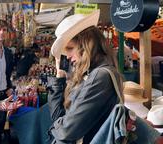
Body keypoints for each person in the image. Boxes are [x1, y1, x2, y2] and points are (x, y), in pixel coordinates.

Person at [47, 10, 123, 144]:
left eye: (70, 48)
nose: (68, 57)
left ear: (86, 44)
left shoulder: (99, 76)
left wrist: (56, 127)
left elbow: (67, 131)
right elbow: (58, 117)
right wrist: (59, 76)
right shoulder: (90, 74)